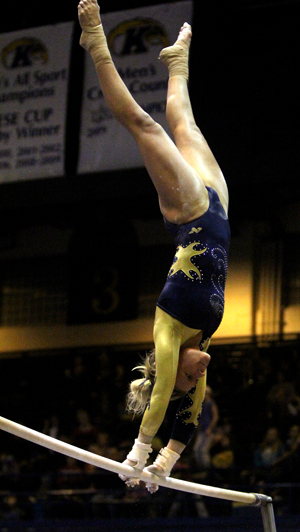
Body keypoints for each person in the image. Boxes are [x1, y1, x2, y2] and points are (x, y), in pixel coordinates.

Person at [78, 0, 230, 492]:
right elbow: (189, 414)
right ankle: (176, 64)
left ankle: (95, 43)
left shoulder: (169, 333)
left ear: (174, 369)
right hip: (220, 211)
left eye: (192, 376)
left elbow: (165, 393)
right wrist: (166, 465)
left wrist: (139, 455)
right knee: (188, 127)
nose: (202, 370)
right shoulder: (202, 344)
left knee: (146, 127)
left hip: (188, 213)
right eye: (197, 378)